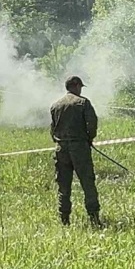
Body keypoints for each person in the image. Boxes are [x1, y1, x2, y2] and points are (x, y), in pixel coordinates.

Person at [50, 75, 102, 227]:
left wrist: (59, 142)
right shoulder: (83, 103)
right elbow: (92, 123)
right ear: (77, 86)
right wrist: (89, 138)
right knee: (87, 183)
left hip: (61, 149)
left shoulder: (55, 105)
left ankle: (64, 220)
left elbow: (52, 129)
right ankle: (94, 219)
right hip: (79, 148)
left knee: (64, 186)